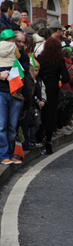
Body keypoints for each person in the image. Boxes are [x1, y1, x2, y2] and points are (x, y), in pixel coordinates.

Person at [36, 37, 70, 154]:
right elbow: (66, 77)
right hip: (53, 88)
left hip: (41, 87)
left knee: (41, 111)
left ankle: (39, 137)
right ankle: (48, 142)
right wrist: (58, 81)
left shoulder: (40, 58)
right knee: (51, 114)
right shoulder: (59, 60)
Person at [0, 29, 24, 164]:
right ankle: (6, 154)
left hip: (7, 93)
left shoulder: (19, 54)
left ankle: (5, 155)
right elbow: (25, 71)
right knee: (10, 126)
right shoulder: (18, 54)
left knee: (4, 126)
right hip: (14, 92)